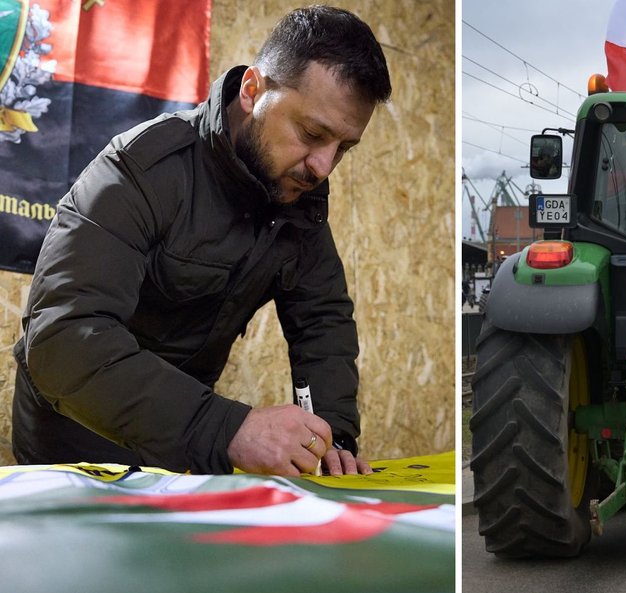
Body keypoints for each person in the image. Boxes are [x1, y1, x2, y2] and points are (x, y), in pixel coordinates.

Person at [10, 5, 392, 478]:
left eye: (343, 148)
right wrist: (230, 430)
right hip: (76, 438)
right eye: (312, 133)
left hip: (182, 443)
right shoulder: (138, 171)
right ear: (253, 91)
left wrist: (331, 437)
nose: (322, 166)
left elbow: (322, 322)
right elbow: (63, 340)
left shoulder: (299, 199)